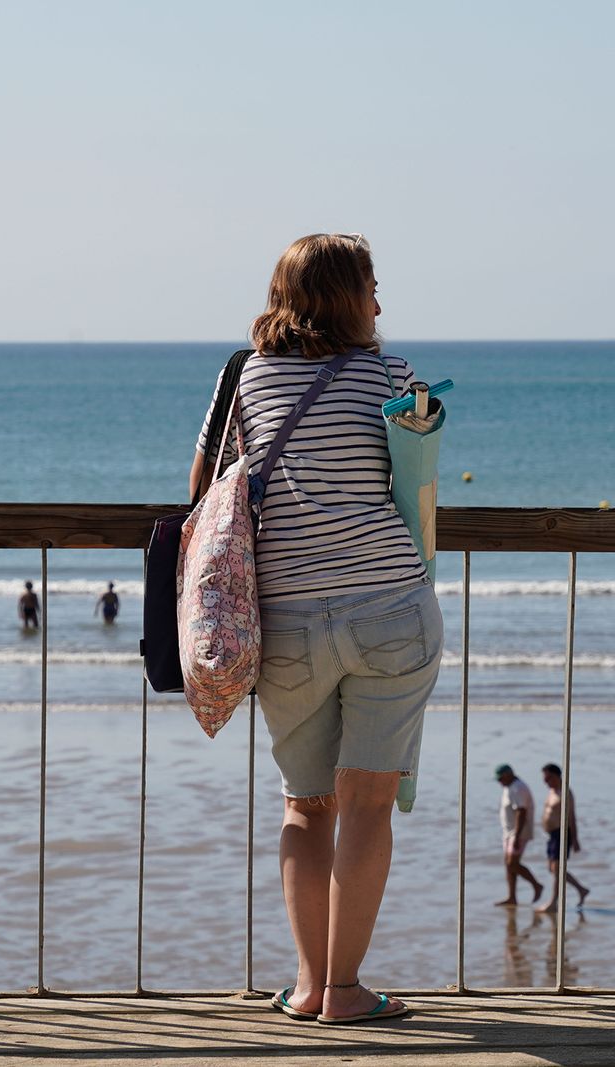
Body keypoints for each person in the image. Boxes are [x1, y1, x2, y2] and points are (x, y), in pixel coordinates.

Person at [189, 233, 439, 1025]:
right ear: (345, 294)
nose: (379, 302)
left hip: (289, 623)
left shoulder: (243, 378)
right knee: (368, 803)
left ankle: (306, 985)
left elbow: (204, 491)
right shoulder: (391, 376)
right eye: (371, 285)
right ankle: (346, 990)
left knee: (307, 806)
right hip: (388, 611)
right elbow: (417, 482)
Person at [535, 763, 589, 913]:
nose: (546, 781)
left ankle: (553, 903)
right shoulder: (552, 791)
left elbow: (571, 816)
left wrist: (575, 839)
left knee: (558, 869)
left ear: (557, 776)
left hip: (562, 833)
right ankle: (581, 889)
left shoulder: (565, 792)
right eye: (544, 779)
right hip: (552, 835)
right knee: (552, 869)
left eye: (548, 778)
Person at [495, 764, 544, 907]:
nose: (499, 782)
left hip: (519, 832)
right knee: (508, 865)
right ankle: (512, 897)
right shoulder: (508, 787)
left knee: (512, 863)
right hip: (508, 832)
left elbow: (521, 812)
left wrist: (516, 836)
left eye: (501, 778)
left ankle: (536, 885)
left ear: (509, 774)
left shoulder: (518, 788)